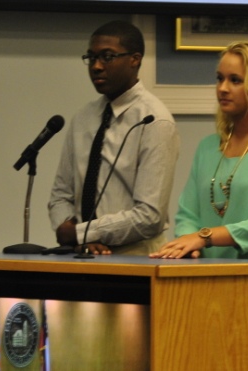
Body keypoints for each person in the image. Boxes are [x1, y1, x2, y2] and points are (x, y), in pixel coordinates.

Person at [150, 40, 248, 260]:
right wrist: (188, 244)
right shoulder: (207, 147)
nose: (222, 88)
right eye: (219, 78)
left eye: (235, 80)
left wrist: (204, 237)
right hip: (209, 276)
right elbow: (187, 214)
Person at [48, 20, 179, 256]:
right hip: (81, 253)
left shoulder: (155, 121)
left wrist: (82, 232)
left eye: (107, 57)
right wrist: (71, 233)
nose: (96, 66)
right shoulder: (83, 118)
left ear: (135, 59)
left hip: (137, 256)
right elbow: (60, 194)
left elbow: (150, 217)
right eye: (91, 57)